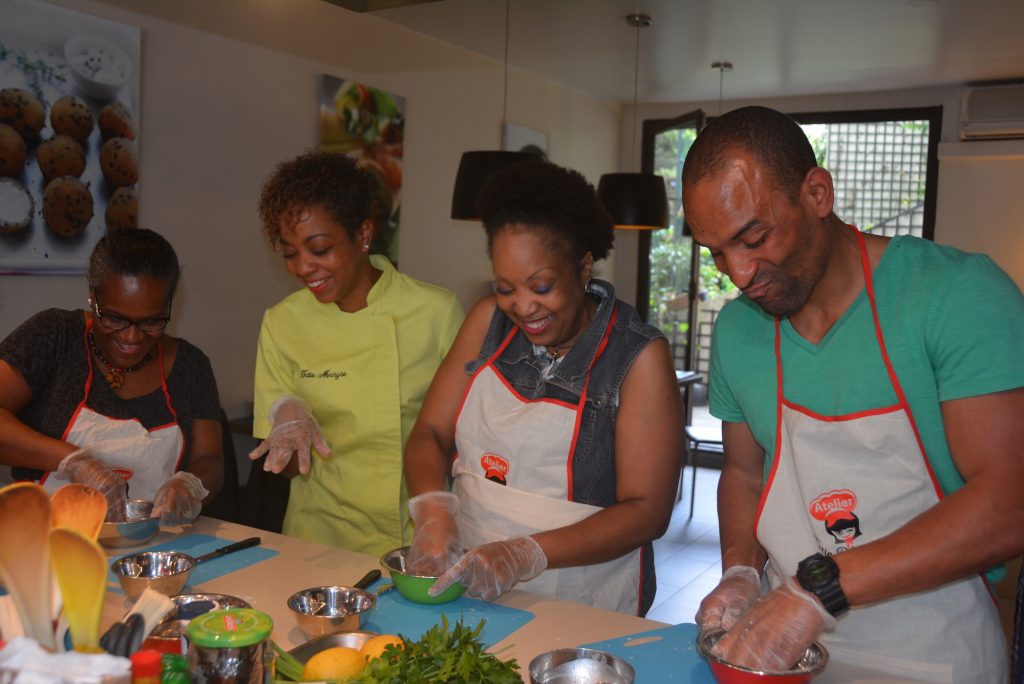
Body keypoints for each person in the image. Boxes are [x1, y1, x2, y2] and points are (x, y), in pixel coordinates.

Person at [681, 106, 1024, 681]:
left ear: (817, 193)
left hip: (934, 647)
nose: (738, 273)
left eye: (754, 237)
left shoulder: (955, 295)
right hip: (786, 646)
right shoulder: (740, 332)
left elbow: (1009, 501)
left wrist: (818, 593)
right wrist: (740, 572)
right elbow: (743, 473)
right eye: (716, 251)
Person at [403, 159, 683, 616]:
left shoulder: (637, 357)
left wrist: (523, 553)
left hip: (581, 597)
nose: (523, 306)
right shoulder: (485, 322)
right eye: (506, 288)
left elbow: (647, 510)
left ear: (585, 266)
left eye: (542, 286)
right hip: (466, 578)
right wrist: (434, 512)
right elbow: (429, 432)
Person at [250, 150, 463, 556]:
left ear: (363, 234)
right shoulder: (282, 322)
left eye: (319, 248)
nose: (303, 267)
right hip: (315, 540)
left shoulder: (435, 311)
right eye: (290, 253)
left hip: (413, 535)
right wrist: (288, 421)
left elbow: (463, 440)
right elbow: (288, 465)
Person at [0, 228, 223, 524]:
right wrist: (73, 462)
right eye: (115, 318)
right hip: (41, 540)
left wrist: (191, 486)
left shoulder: (191, 365)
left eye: (151, 321)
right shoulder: (54, 336)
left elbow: (210, 461)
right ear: (93, 297)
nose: (132, 337)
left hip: (150, 548)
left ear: (170, 305)